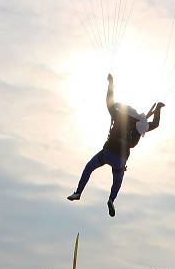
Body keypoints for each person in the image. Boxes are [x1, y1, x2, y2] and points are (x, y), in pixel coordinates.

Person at [67, 73, 164, 217]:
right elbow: (155, 124)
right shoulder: (139, 125)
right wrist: (158, 110)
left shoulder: (118, 116)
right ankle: (111, 200)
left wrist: (110, 84)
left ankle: (78, 192)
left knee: (89, 168)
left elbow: (109, 101)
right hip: (120, 159)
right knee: (117, 182)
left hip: (107, 153)